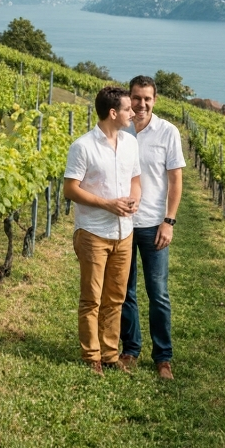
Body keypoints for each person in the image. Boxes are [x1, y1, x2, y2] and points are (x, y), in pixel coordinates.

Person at [63, 85, 142, 374]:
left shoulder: (130, 143)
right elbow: (70, 189)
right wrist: (107, 205)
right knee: (92, 299)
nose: (133, 113)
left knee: (115, 298)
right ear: (113, 113)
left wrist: (135, 200)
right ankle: (91, 356)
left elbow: (135, 178)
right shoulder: (83, 146)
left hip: (124, 232)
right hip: (93, 232)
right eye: (127, 109)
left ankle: (110, 354)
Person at [118, 75, 185, 381]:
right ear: (128, 99)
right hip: (122, 225)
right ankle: (130, 349)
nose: (141, 104)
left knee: (158, 293)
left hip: (154, 225)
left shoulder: (168, 132)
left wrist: (168, 221)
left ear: (155, 100)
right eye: (136, 97)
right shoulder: (119, 129)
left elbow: (175, 181)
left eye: (147, 98)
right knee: (125, 291)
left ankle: (163, 357)